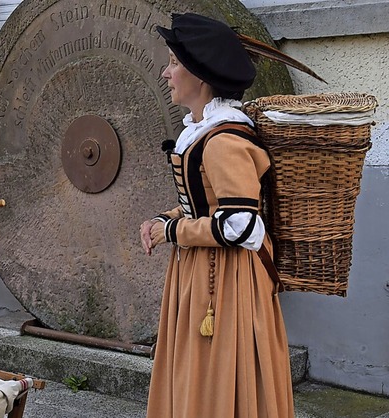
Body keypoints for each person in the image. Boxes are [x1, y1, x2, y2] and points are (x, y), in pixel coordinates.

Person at [139, 13, 294, 418]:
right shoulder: (203, 131)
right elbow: (206, 202)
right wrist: (164, 220)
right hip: (202, 269)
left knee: (219, 372)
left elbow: (239, 224)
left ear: (201, 76)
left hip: (226, 280)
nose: (166, 72)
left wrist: (173, 230)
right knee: (199, 369)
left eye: (173, 63)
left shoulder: (224, 140)